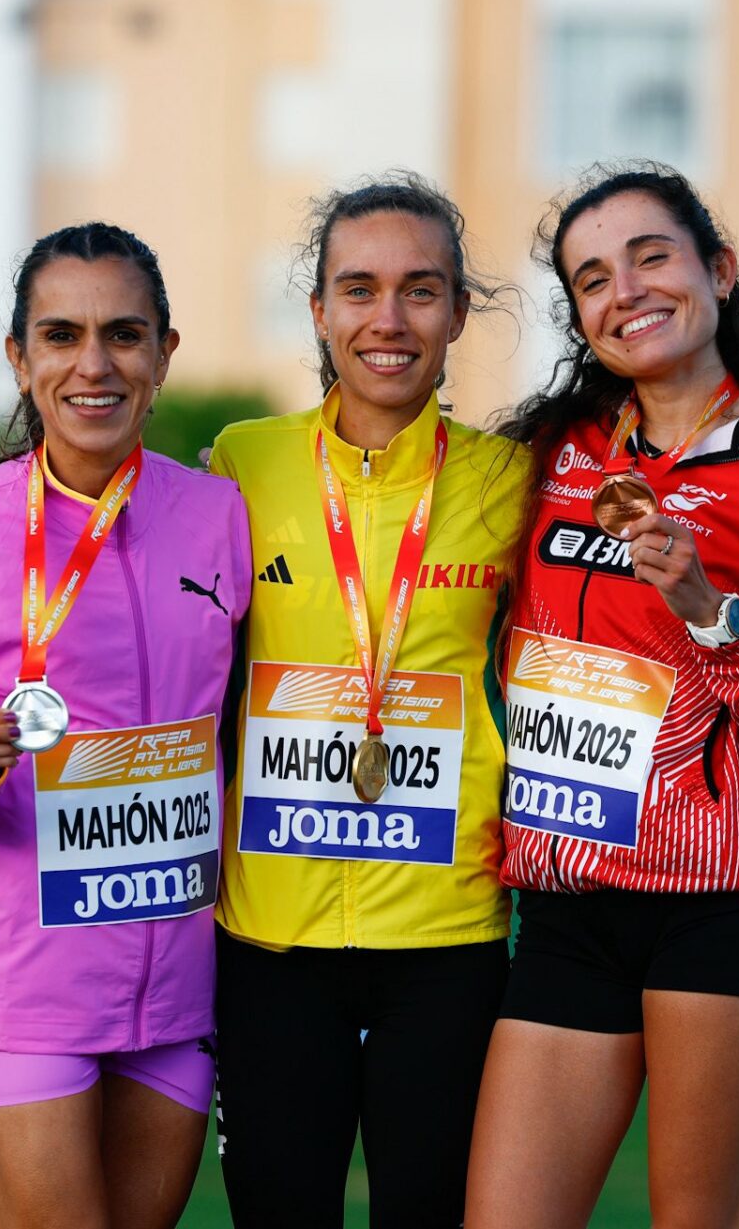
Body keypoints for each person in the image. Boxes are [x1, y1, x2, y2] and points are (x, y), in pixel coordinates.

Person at [466, 165, 739, 1229]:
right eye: (593, 278)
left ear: (720, 272)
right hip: (564, 912)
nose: (626, 290)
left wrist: (708, 610)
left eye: (652, 256)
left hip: (718, 913)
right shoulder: (556, 454)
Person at [0, 223, 250, 1229]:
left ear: (164, 353)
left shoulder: (221, 517)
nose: (94, 363)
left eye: (124, 334)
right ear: (19, 360)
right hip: (23, 987)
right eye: (62, 334)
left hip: (178, 986)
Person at [205, 173, 530, 1227]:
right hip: (269, 939)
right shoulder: (241, 463)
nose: (388, 319)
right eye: (359, 288)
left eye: (420, 290)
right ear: (318, 312)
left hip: (447, 938)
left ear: (457, 315)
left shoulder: (511, 481)